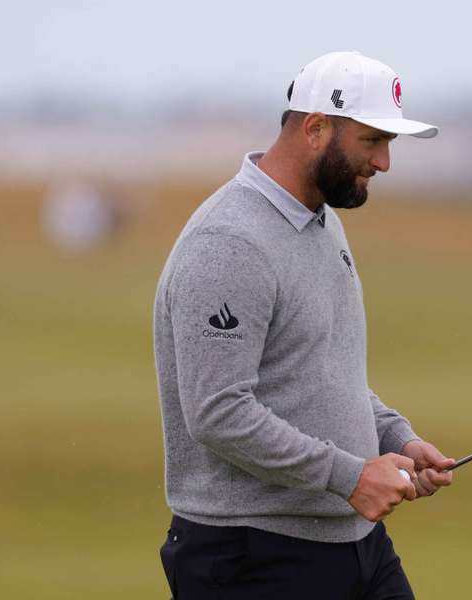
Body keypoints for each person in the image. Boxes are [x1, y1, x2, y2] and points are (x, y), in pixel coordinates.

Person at [153, 51, 453, 600]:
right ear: (316, 127)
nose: (385, 162)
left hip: (354, 542)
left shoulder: (320, 221)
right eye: (372, 141)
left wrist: (396, 438)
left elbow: (322, 369)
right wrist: (352, 476)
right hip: (252, 557)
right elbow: (217, 412)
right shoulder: (230, 243)